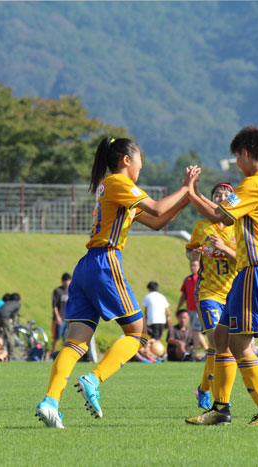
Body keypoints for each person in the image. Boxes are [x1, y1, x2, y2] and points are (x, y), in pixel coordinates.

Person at [35, 135, 197, 428]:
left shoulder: (110, 188)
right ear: (126, 160)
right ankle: (93, 379)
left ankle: (50, 402)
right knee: (138, 334)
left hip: (86, 266)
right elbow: (158, 208)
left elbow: (157, 222)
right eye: (140, 163)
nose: (140, 169)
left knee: (75, 343)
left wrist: (188, 197)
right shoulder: (119, 183)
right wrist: (185, 188)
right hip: (105, 262)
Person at [186, 126, 258, 426]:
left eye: (237, 158)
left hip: (256, 268)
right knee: (221, 337)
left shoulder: (253, 184)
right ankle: (220, 409)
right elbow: (225, 214)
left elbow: (218, 216)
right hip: (251, 269)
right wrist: (196, 193)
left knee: (240, 345)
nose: (237, 164)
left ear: (245, 153)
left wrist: (190, 192)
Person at [182, 182, 239, 423]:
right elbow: (190, 250)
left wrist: (223, 248)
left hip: (233, 294)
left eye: (226, 195)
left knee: (224, 347)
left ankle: (204, 388)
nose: (221, 197)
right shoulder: (202, 226)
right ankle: (219, 401)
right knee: (217, 342)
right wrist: (193, 254)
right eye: (217, 194)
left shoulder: (239, 226)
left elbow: (244, 259)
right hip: (208, 294)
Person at [176, 260, 206, 353]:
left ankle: (194, 351)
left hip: (199, 308)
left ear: (199, 266)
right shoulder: (187, 279)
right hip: (190, 309)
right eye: (191, 265)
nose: (192, 267)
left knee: (195, 329)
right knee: (194, 330)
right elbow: (184, 294)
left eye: (194, 265)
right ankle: (207, 350)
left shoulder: (203, 278)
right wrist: (178, 307)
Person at [0, 293, 21, 358]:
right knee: (9, 335)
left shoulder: (7, 302)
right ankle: (10, 355)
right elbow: (13, 315)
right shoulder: (17, 304)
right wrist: (11, 320)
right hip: (4, 317)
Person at [51, 273, 71, 356]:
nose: (67, 285)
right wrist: (57, 317)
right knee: (57, 338)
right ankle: (52, 354)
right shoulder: (57, 291)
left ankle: (64, 355)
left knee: (67, 339)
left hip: (69, 318)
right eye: (65, 283)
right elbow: (54, 305)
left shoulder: (71, 290)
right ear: (62, 281)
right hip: (60, 318)